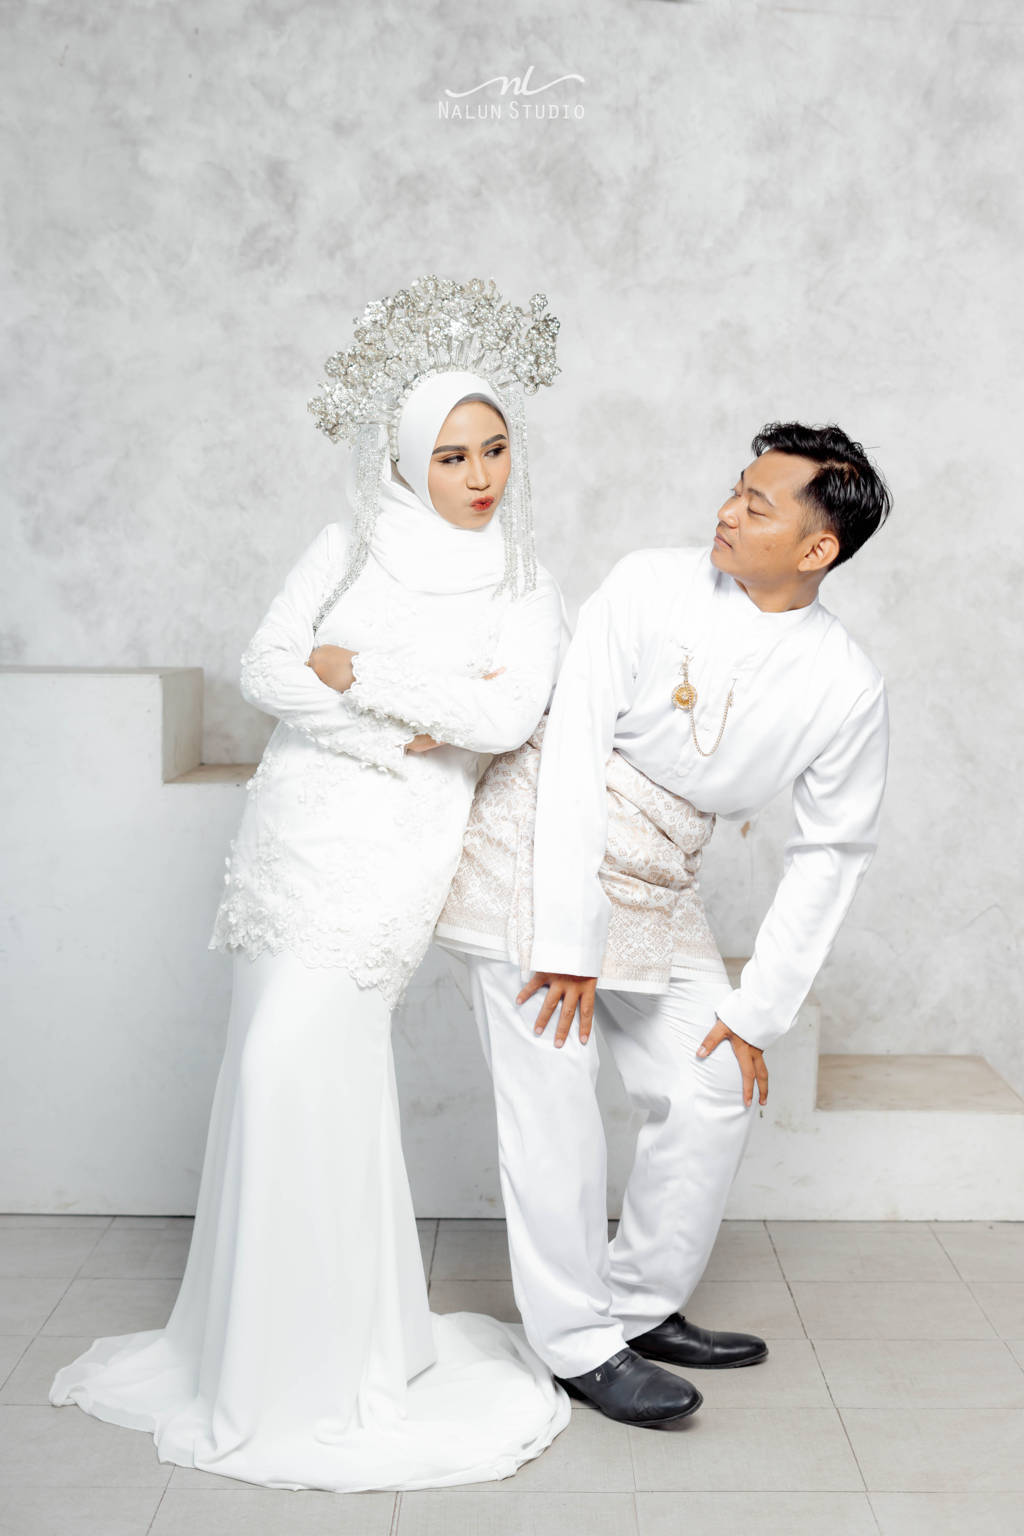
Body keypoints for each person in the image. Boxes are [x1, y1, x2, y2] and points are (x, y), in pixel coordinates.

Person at [50, 276, 572, 1489]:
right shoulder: (346, 544)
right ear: (404, 459)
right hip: (293, 836)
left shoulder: (525, 582)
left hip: (391, 855)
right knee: (266, 1069)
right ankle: (269, 1353)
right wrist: (390, 728)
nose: (479, 476)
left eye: (494, 449)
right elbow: (269, 668)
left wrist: (364, 676)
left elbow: (501, 718)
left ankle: (333, 1360)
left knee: (302, 1066)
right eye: (450, 456)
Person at [437, 421, 891, 1428]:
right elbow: (569, 748)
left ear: (817, 548)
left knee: (714, 1076)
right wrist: (566, 941)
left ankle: (637, 1307)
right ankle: (575, 1343)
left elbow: (832, 850)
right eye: (736, 488)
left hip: (658, 873)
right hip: (538, 848)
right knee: (553, 1099)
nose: (726, 511)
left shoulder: (846, 683)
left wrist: (759, 1008)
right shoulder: (650, 581)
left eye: (758, 506)